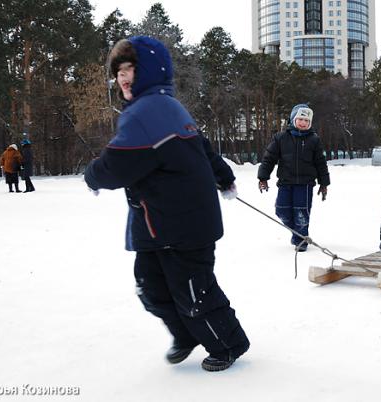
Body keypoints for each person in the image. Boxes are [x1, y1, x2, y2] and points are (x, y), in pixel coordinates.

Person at [84, 36, 249, 372]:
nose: (123, 77)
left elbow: (117, 165)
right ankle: (186, 334)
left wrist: (93, 175)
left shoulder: (148, 111)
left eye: (130, 68)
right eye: (118, 72)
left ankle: (229, 344)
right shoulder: (165, 107)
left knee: (193, 291)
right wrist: (223, 175)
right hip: (157, 223)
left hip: (182, 225)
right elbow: (200, 147)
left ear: (150, 70)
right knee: (151, 285)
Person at [257, 103, 330, 252]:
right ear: (293, 119)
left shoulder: (314, 140)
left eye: (306, 121)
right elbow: (269, 158)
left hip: (305, 184)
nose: (303, 123)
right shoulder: (281, 138)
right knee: (281, 211)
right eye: (300, 119)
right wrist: (263, 177)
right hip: (285, 182)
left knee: (301, 214)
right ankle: (296, 231)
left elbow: (321, 163)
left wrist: (324, 183)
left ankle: (301, 240)